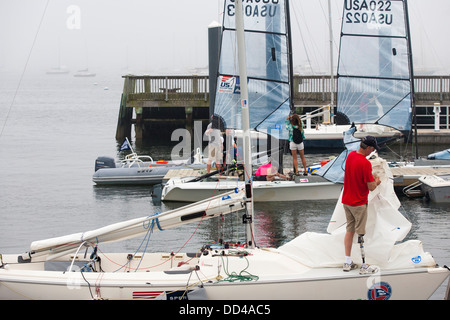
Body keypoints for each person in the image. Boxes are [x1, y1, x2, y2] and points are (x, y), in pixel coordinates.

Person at [342, 136, 381, 274]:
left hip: (346, 201)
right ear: (369, 148)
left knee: (349, 230)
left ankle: (347, 262)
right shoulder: (365, 164)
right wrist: (377, 181)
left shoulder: (351, 156)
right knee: (361, 233)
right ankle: (364, 265)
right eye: (373, 149)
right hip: (359, 203)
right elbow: (371, 187)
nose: (372, 152)